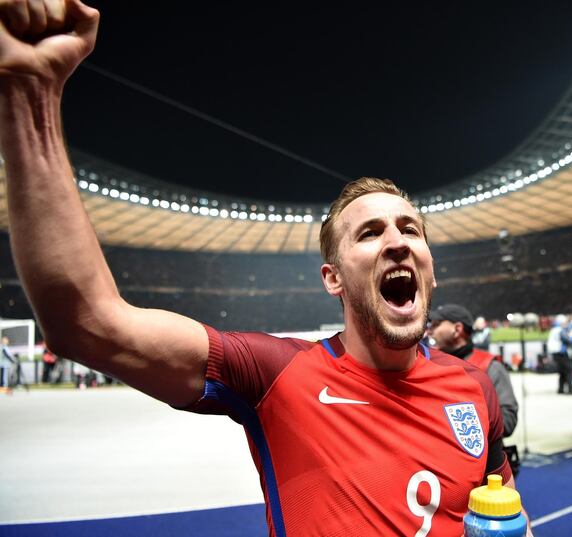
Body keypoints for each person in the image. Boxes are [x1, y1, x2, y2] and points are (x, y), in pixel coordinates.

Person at [0, 3, 533, 536]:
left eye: (410, 229)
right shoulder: (276, 373)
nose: (396, 242)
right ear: (333, 279)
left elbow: (506, 514)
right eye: (370, 233)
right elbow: (87, 323)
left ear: (430, 269)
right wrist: (30, 91)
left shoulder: (474, 386)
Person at [429, 304, 519, 437]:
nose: (430, 331)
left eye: (436, 325)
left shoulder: (490, 367)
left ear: (457, 329)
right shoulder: (429, 364)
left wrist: (453, 422)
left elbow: (508, 421)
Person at [547, 315, 572, 394]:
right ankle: (570, 389)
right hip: (562, 353)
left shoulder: (554, 329)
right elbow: (567, 340)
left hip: (556, 353)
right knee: (569, 371)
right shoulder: (560, 330)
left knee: (562, 372)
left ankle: (561, 389)